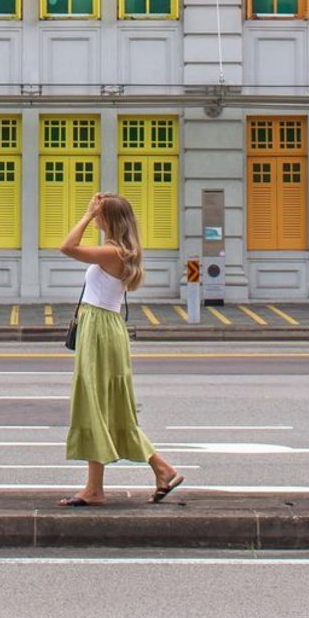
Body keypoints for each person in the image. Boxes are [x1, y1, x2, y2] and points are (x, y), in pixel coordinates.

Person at [59, 191, 183, 506]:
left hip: (99, 328)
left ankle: (106, 485)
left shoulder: (112, 252)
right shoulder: (120, 251)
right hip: (103, 327)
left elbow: (67, 247)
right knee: (104, 405)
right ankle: (145, 473)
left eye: (100, 214)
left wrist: (86, 215)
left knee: (96, 403)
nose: (95, 218)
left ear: (108, 219)